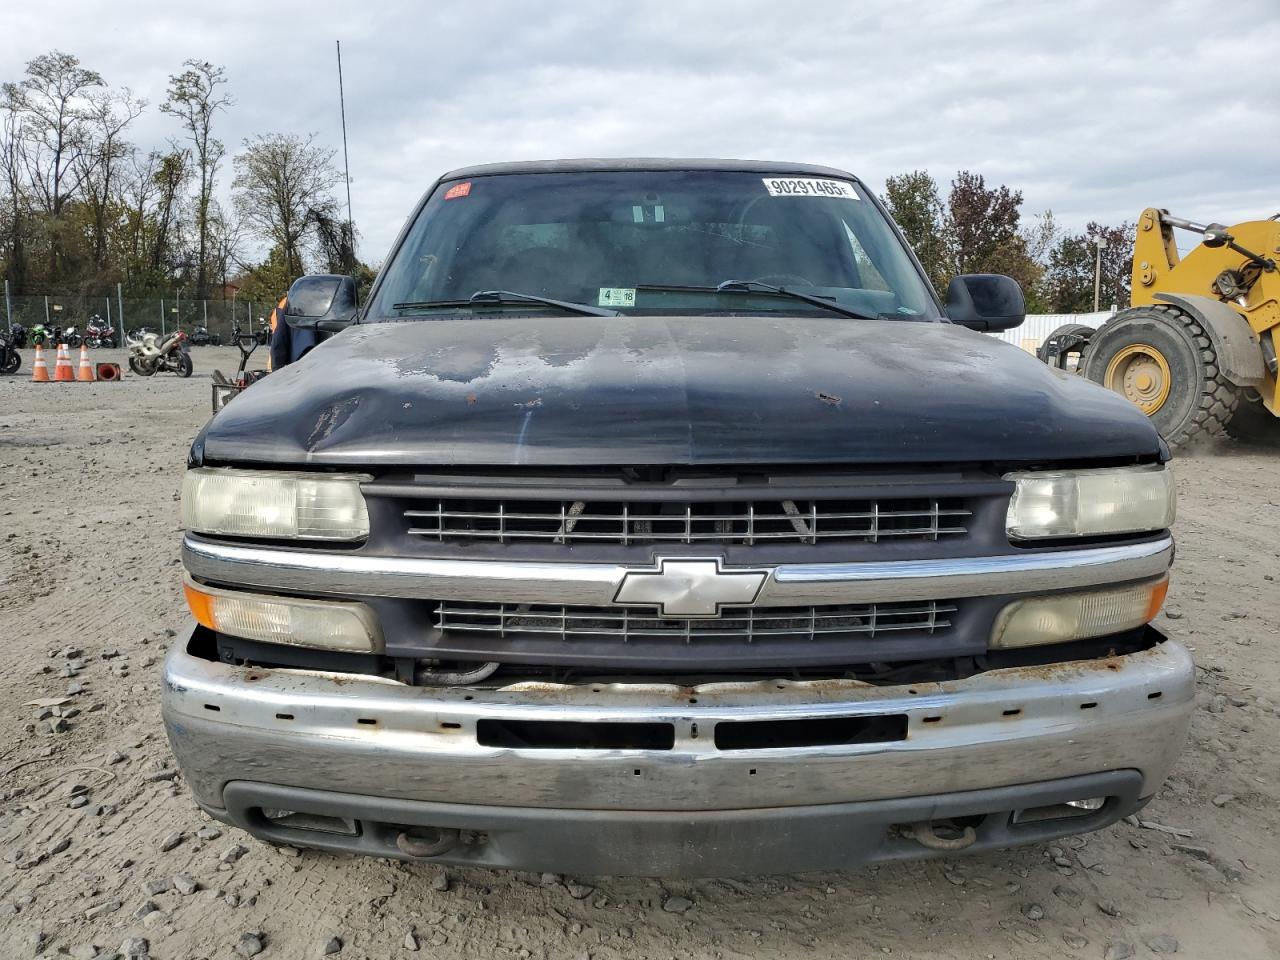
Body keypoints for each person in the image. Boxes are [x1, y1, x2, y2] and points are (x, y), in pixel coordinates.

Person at [267, 294, 320, 370]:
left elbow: (278, 340)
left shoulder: (291, 301)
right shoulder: (295, 302)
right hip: (305, 361)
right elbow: (278, 339)